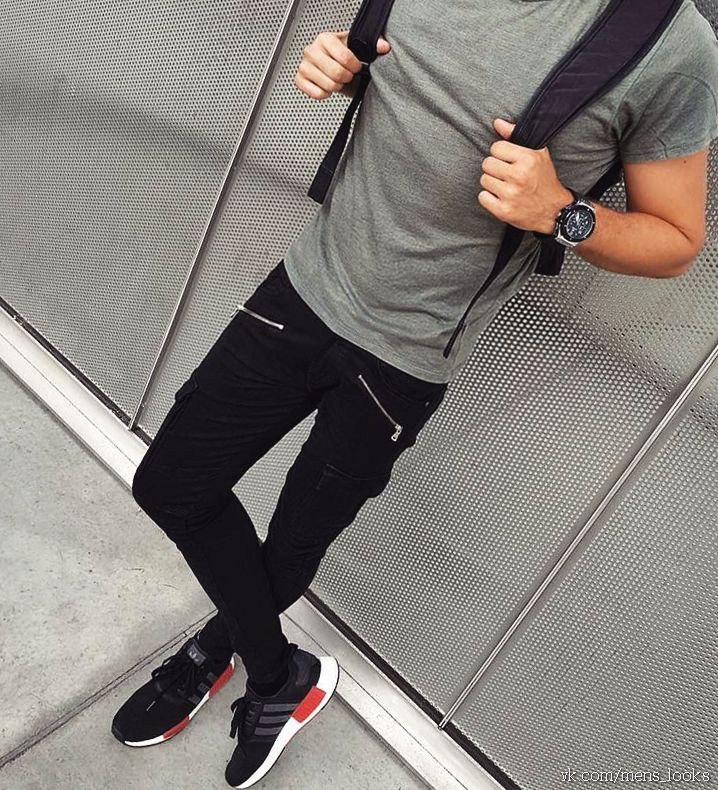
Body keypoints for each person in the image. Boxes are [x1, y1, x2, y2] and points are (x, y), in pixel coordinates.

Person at [112, 1, 718, 787]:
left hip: (405, 359)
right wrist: (343, 63)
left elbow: (677, 241)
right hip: (304, 288)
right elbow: (405, 74)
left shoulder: (671, 45)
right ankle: (278, 674)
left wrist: (562, 214)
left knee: (293, 544)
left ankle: (217, 649)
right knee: (171, 484)